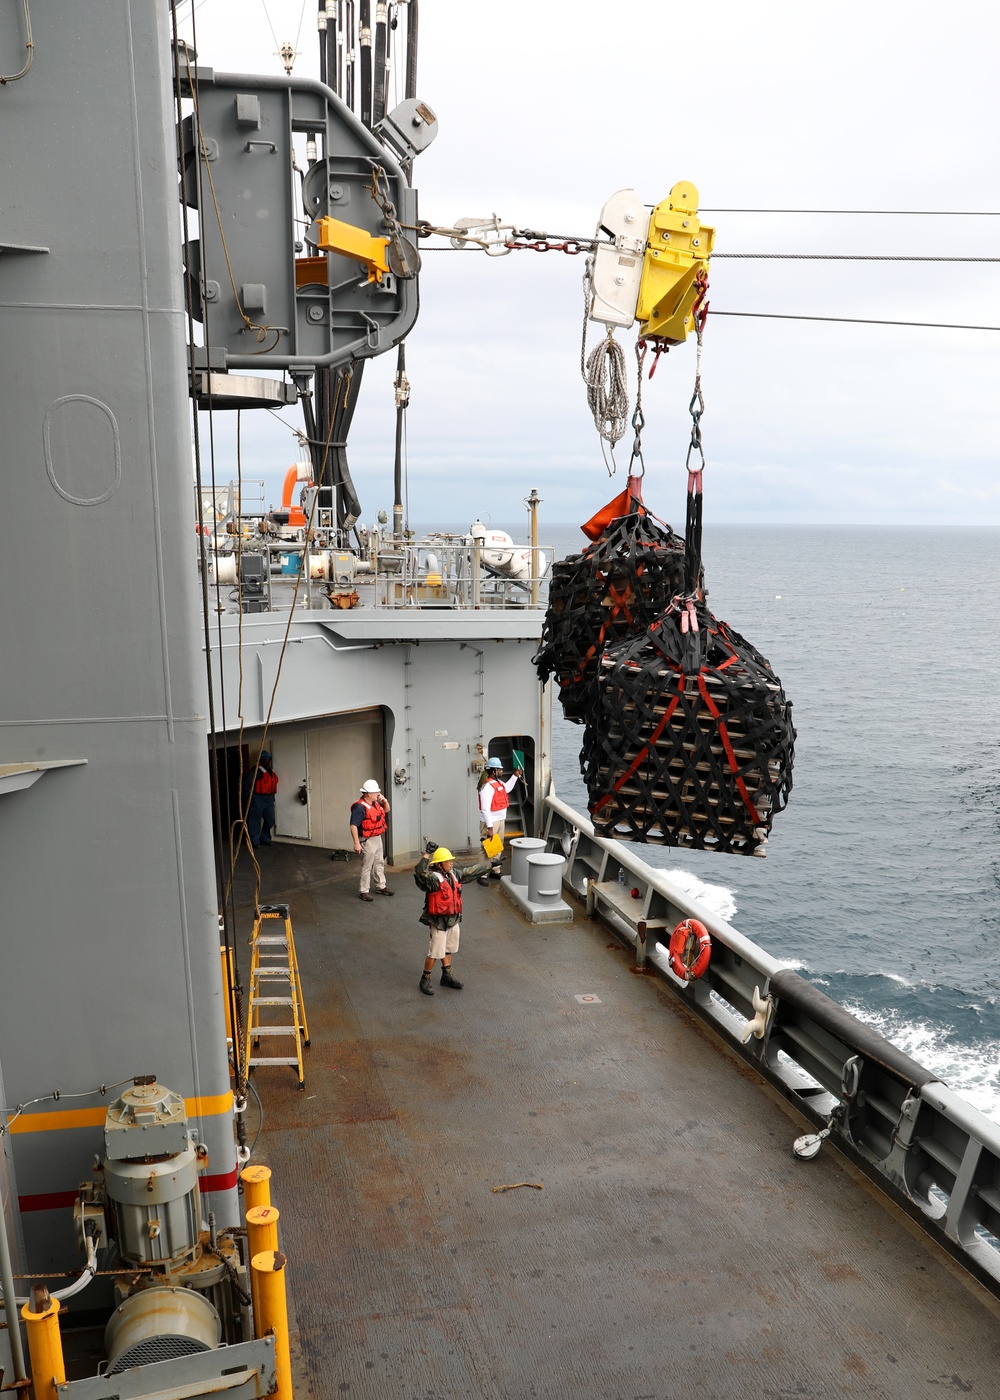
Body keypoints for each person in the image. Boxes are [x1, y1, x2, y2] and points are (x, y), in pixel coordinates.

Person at [413, 842, 490, 996]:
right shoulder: (433, 880)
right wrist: (427, 854)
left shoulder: (453, 874)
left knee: (448, 949)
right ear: (440, 864)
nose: (451, 863)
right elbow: (419, 873)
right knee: (435, 952)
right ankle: (425, 978)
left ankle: (446, 975)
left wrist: (489, 865)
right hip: (439, 922)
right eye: (448, 861)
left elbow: (469, 872)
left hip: (453, 920)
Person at [350, 779, 394, 901]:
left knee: (379, 862)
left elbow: (387, 809)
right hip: (367, 840)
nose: (378, 794)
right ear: (368, 793)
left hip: (377, 837)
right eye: (376, 792)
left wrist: (384, 800)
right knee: (367, 865)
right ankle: (364, 891)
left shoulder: (375, 803)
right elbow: (353, 825)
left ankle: (381, 886)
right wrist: (356, 843)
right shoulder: (359, 807)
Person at [478, 757, 521, 880]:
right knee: (486, 848)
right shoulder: (486, 787)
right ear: (493, 771)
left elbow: (506, 788)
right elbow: (485, 809)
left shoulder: (499, 783)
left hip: (500, 820)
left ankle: (494, 870)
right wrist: (490, 827)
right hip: (490, 822)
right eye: (500, 769)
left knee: (497, 846)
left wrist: (515, 776)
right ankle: (482, 874)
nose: (502, 771)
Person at [245, 750, 278, 849]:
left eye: (269, 759)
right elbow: (246, 785)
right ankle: (254, 841)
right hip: (258, 798)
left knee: (270, 819)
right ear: (261, 760)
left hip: (269, 798)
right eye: (265, 759)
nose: (267, 761)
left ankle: (265, 837)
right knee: (254, 820)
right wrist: (250, 797)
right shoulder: (256, 771)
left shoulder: (271, 771)